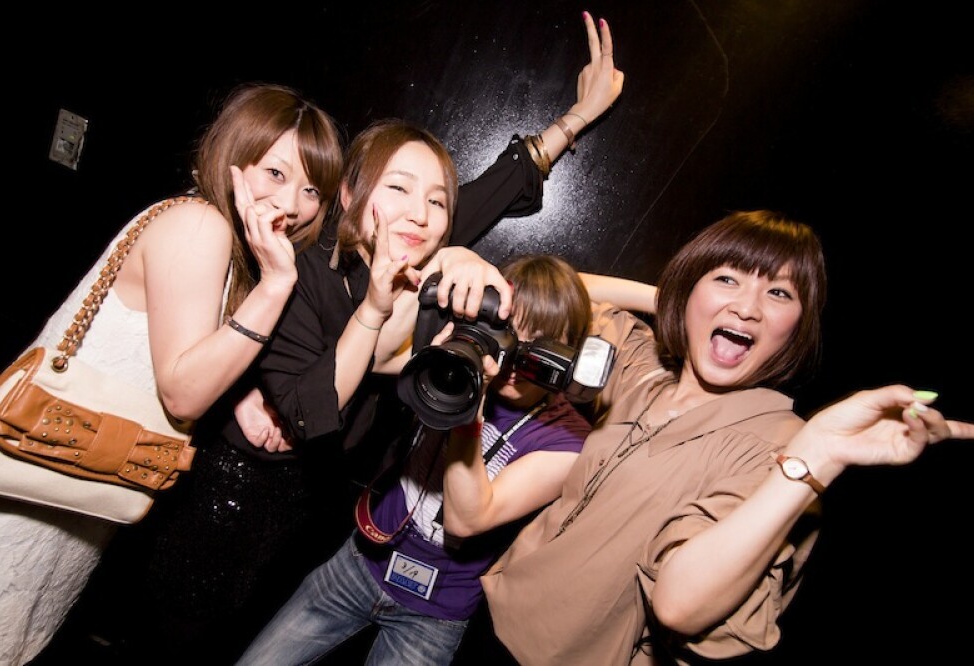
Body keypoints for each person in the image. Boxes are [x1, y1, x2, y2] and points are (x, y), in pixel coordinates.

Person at [78, 13, 625, 664]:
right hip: (232, 481)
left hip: (321, 504)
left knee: (240, 631)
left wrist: (577, 118)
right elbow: (265, 365)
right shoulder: (302, 265)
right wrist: (249, 391)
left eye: (437, 203)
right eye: (398, 189)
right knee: (172, 627)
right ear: (353, 195)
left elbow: (495, 188)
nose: (420, 212)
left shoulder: (423, 244)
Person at [474, 210, 974, 665]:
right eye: (727, 279)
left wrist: (818, 456)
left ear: (797, 326)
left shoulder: (777, 446)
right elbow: (569, 292)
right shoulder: (642, 370)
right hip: (491, 621)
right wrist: (674, 302)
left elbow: (678, 605)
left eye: (779, 293)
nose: (747, 308)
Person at [0, 83, 344, 666]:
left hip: (72, 479)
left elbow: (179, 352)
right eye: (275, 173)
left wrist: (242, 391)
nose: (294, 204)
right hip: (32, 481)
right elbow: (181, 392)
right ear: (234, 157)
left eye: (311, 190)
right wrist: (278, 285)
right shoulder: (201, 226)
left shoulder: (209, 232)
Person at [237, 253, 633, 665]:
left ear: (566, 356)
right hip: (360, 563)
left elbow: (467, 519)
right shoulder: (450, 357)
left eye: (539, 348)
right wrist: (448, 273)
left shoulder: (567, 440)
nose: (514, 360)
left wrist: (469, 407)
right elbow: (371, 358)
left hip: (433, 616)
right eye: (510, 335)